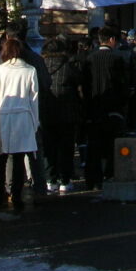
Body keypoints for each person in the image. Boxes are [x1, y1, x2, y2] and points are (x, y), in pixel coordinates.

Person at [0, 37, 39, 212]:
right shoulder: (29, 70)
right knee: (19, 159)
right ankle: (17, 195)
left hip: (2, 116)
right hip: (23, 117)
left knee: (0, 159)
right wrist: (35, 122)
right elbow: (34, 99)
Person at [81, 26, 129, 190]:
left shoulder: (89, 58)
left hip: (93, 107)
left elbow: (85, 85)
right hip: (113, 108)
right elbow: (123, 84)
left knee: (93, 145)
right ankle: (110, 175)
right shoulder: (117, 58)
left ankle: (93, 179)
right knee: (113, 144)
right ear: (112, 40)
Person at [40, 36, 83, 193]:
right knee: (66, 148)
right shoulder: (69, 66)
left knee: (48, 148)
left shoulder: (41, 66)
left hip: (46, 112)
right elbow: (80, 87)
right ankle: (65, 179)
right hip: (67, 112)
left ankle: (50, 179)